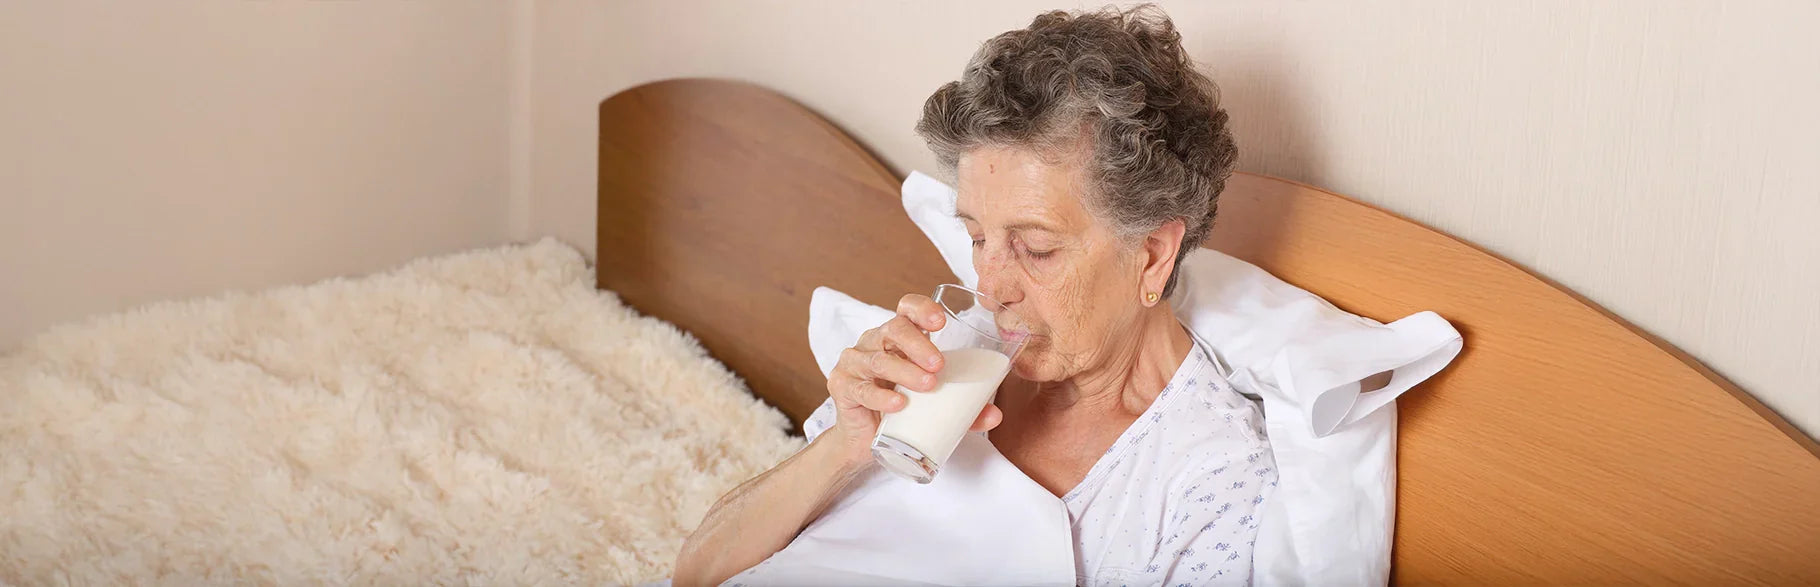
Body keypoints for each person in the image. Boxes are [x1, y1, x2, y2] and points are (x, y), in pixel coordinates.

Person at [676, 5, 1272, 585]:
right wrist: (843, 446)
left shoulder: (1209, 479)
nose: (988, 287)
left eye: (1036, 249)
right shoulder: (946, 353)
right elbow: (695, 572)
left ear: (1152, 254)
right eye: (978, 236)